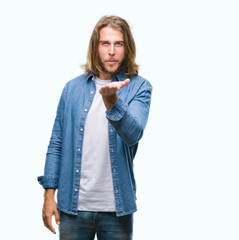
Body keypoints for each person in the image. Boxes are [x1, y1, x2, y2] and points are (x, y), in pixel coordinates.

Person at [37, 15, 152, 240]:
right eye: (105, 43)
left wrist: (112, 102)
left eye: (118, 43)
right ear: (95, 47)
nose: (111, 51)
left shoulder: (139, 87)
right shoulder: (72, 89)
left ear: (127, 48)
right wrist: (49, 194)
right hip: (73, 208)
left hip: (117, 210)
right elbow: (57, 142)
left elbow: (133, 135)